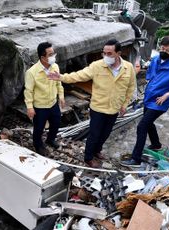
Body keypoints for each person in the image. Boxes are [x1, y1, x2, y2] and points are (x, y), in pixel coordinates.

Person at [49, 39, 136, 168]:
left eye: (109, 53)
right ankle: (88, 157)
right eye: (104, 53)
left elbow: (130, 88)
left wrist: (124, 105)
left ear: (118, 53)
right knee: (94, 134)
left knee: (105, 133)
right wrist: (62, 77)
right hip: (98, 108)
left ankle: (97, 150)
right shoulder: (97, 66)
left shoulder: (128, 68)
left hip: (114, 108)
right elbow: (79, 76)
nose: (106, 56)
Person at [121, 36, 169, 167]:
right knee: (148, 123)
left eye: (168, 50)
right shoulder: (156, 59)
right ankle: (156, 145)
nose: (164, 51)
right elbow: (150, 75)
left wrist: (168, 94)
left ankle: (136, 159)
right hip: (149, 97)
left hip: (159, 102)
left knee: (142, 126)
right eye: (162, 48)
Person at [24, 42, 65, 155]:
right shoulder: (32, 72)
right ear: (43, 57)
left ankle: (50, 139)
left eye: (53, 53)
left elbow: (58, 83)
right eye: (50, 54)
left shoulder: (55, 67)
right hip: (40, 107)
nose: (54, 56)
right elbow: (28, 91)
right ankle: (38, 145)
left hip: (53, 103)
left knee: (56, 123)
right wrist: (29, 107)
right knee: (39, 128)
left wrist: (61, 96)